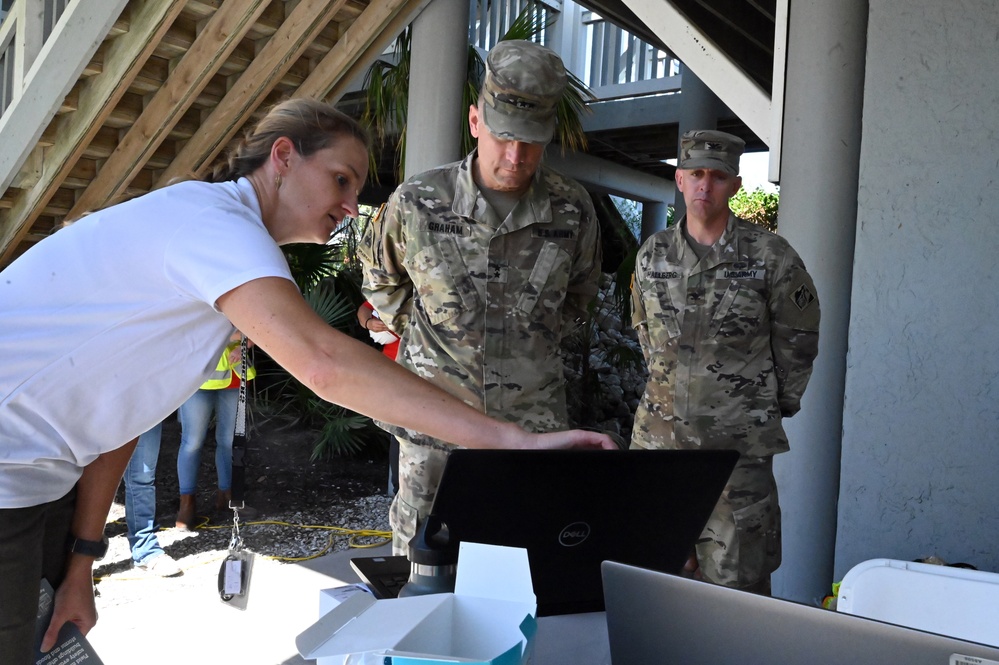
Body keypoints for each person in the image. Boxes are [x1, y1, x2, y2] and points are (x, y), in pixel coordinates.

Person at [0, 98, 615, 665]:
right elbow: (324, 363)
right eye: (340, 179)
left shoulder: (216, 258)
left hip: (40, 483)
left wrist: (82, 559)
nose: (352, 205)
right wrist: (508, 439)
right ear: (284, 157)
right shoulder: (212, 224)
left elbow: (118, 423)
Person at [360, 40, 604, 554]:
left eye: (531, 142)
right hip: (432, 428)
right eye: (503, 137)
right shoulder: (418, 202)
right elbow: (380, 279)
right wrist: (436, 338)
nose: (515, 157)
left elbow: (580, 295)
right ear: (475, 121)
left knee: (526, 570)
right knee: (421, 576)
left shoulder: (572, 210)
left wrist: (524, 347)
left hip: (531, 430)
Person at [629, 129, 820, 595]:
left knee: (738, 590)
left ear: (735, 185)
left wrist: (769, 407)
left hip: (737, 456)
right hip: (660, 450)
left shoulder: (770, 257)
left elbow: (799, 338)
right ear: (679, 180)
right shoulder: (652, 255)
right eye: (695, 174)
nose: (704, 186)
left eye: (717, 177)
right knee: (654, 580)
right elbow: (643, 331)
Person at [175, 333, 256, 529]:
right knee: (192, 442)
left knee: (229, 441)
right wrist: (229, 335)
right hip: (196, 376)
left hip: (234, 374)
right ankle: (187, 503)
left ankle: (227, 496)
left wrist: (244, 344)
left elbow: (258, 326)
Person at [122, 424, 183, 577]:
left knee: (142, 477)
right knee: (88, 478)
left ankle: (145, 550)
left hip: (144, 408)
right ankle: (79, 559)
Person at [356, 301, 401, 495]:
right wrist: (368, 323)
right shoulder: (396, 288)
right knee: (400, 433)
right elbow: (365, 308)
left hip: (433, 372)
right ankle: (400, 490)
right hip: (396, 372)